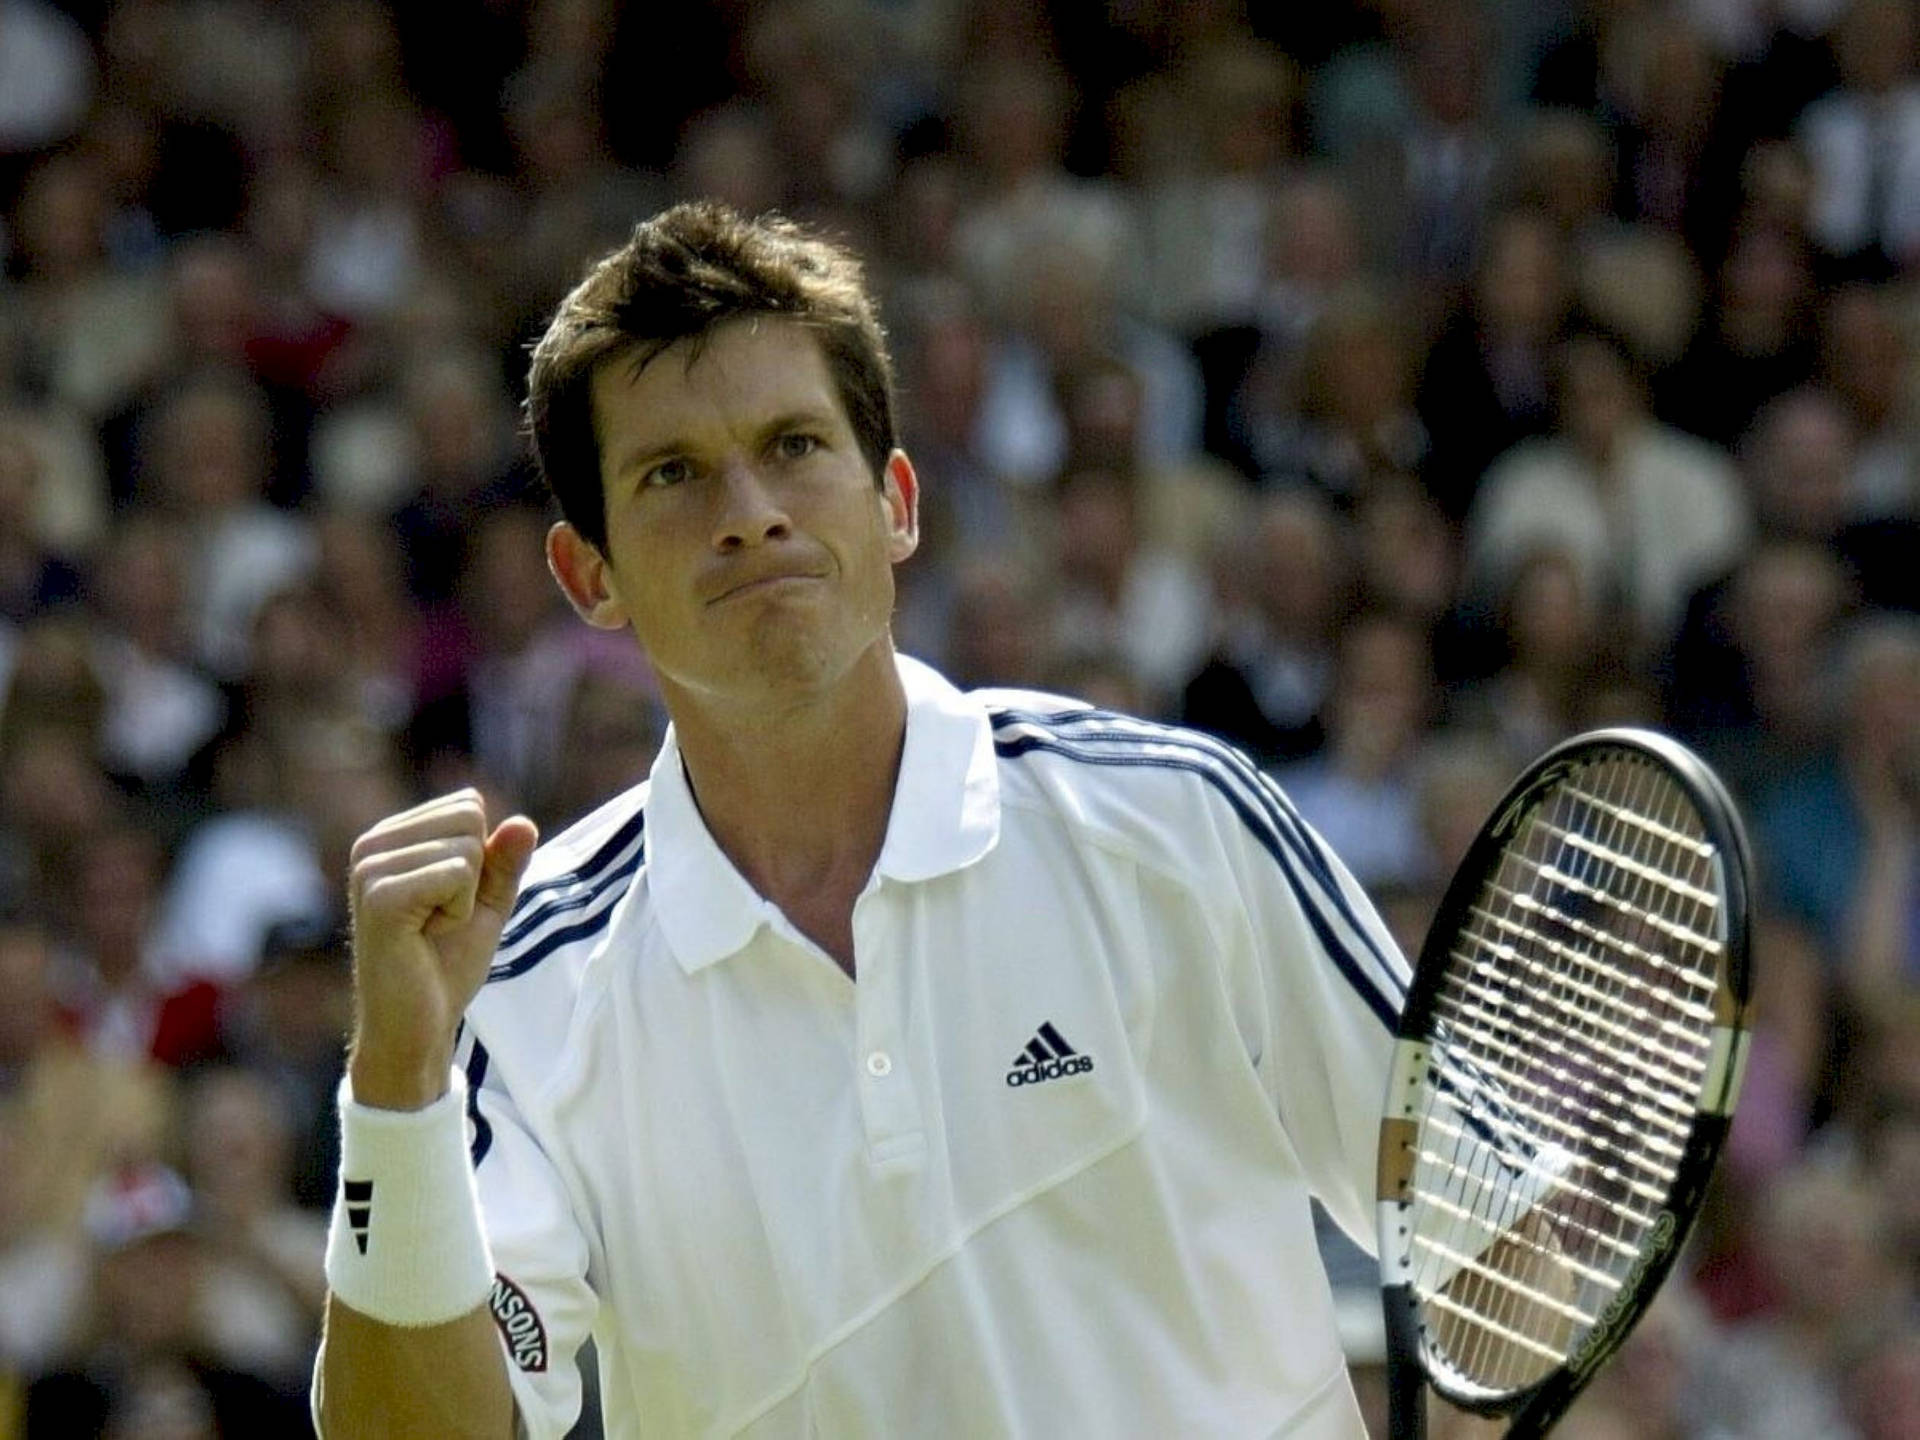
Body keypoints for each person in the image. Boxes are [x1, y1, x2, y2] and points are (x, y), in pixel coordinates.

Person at [312, 202, 1412, 1438]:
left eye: (793, 446)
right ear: (591, 577)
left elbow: (1494, 1216)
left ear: (895, 500)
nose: (749, 511)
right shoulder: (518, 995)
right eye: (672, 474)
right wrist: (396, 1090)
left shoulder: (1174, 817)